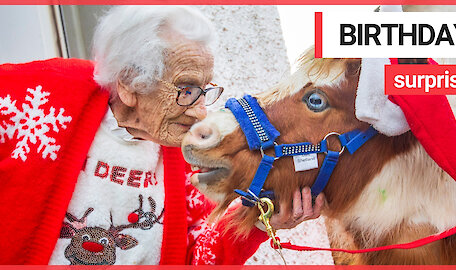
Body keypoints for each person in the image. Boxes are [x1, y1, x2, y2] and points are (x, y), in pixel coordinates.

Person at [0, 6, 322, 265]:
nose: (200, 112)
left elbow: (196, 256)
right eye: (186, 90)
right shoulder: (40, 99)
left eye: (204, 91)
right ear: (128, 83)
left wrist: (256, 219)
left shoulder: (184, 155)